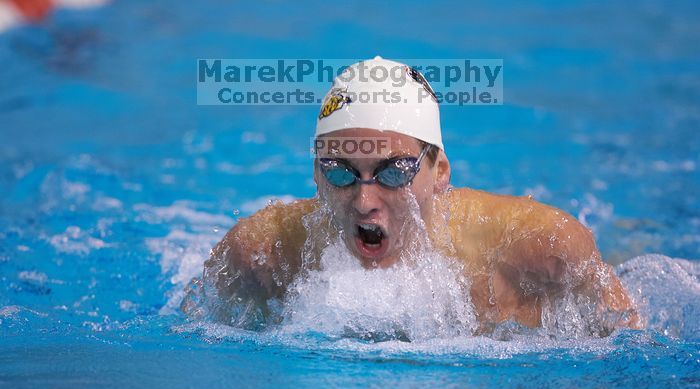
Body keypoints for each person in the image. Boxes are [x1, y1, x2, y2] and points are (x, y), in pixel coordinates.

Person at [187, 57, 639, 335]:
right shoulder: (261, 253)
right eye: (341, 173)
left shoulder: (538, 250)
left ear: (439, 171)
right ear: (316, 175)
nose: (365, 201)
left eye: (394, 172)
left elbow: (633, 355)